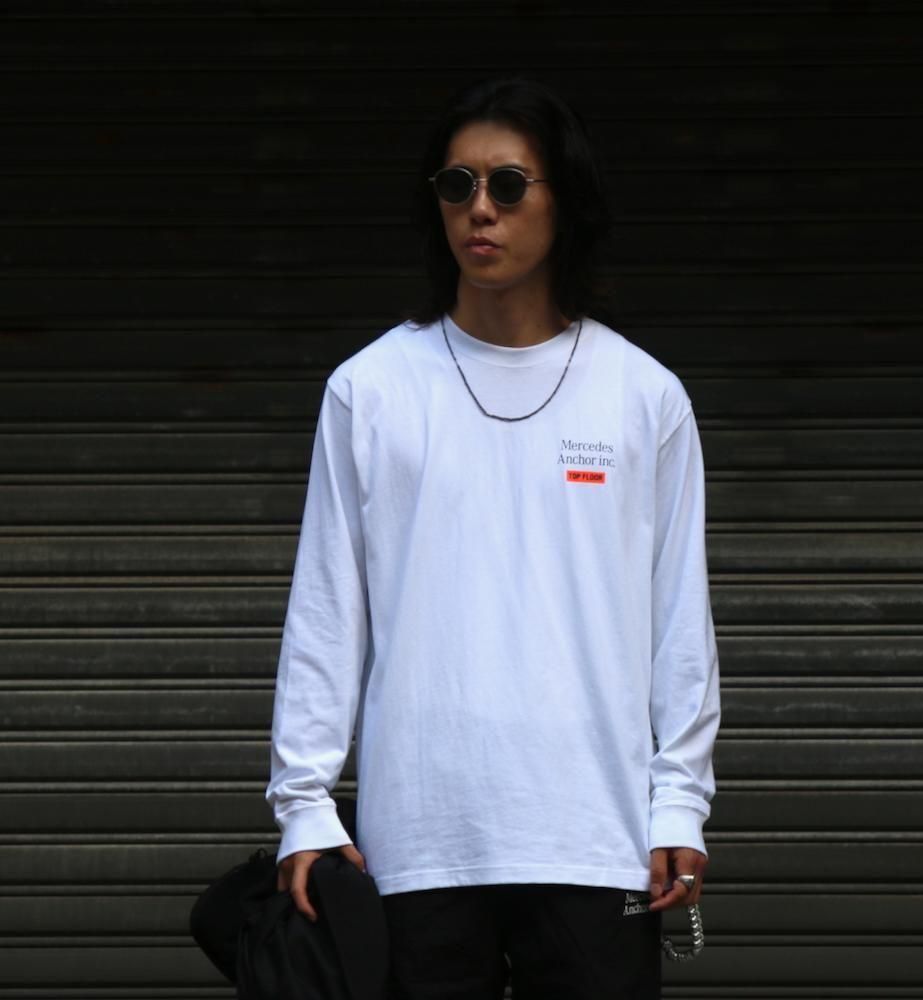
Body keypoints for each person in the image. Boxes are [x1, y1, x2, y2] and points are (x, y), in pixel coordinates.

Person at [265, 75, 721, 1000]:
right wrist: (304, 805)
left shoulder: (644, 396)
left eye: (509, 185)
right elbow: (326, 609)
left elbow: (680, 621)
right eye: (457, 185)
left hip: (595, 838)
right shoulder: (371, 390)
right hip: (420, 844)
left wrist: (680, 798)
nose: (480, 209)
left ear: (566, 201)